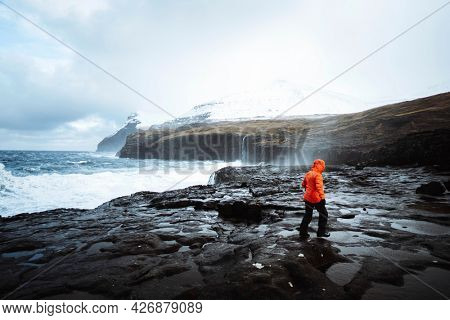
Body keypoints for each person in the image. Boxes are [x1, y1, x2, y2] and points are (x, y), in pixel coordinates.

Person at [299, 159, 330, 239]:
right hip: (316, 199)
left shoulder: (308, 173)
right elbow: (319, 188)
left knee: (308, 215)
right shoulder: (318, 175)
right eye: (323, 166)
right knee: (324, 214)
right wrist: (322, 198)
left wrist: (308, 190)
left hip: (307, 197)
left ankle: (302, 232)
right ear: (321, 166)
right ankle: (321, 232)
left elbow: (303, 184)